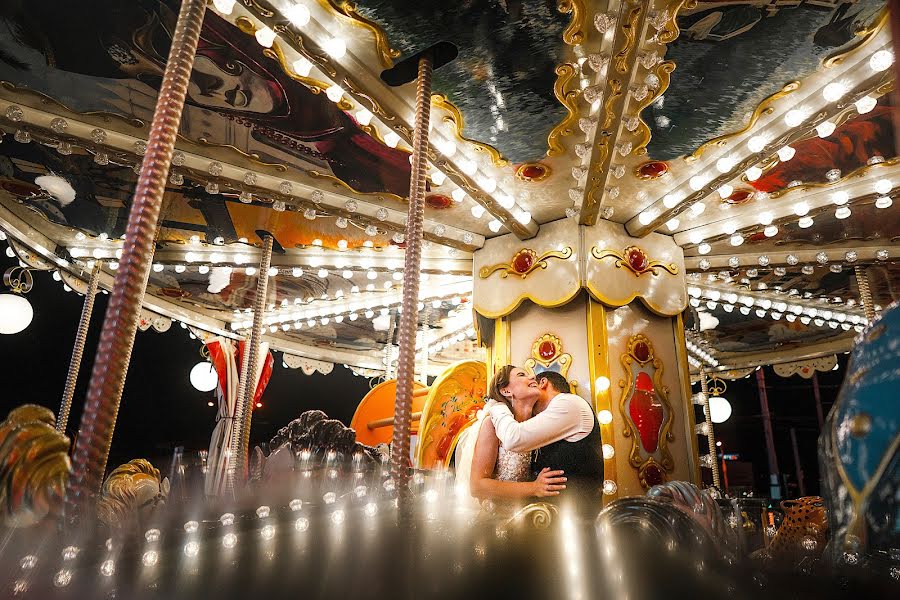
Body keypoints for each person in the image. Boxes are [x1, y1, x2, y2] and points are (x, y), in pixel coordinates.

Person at [485, 369, 604, 518]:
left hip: (576, 518)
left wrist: (497, 408)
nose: (531, 378)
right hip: (541, 519)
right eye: (522, 375)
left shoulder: (568, 403)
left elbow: (513, 439)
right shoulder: (537, 421)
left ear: (543, 382)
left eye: (532, 378)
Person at [454, 366, 567, 514]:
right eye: (522, 375)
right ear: (506, 391)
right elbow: (477, 486)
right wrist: (533, 488)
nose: (533, 378)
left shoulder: (538, 425)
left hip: (529, 516)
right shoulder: (491, 425)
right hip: (496, 519)